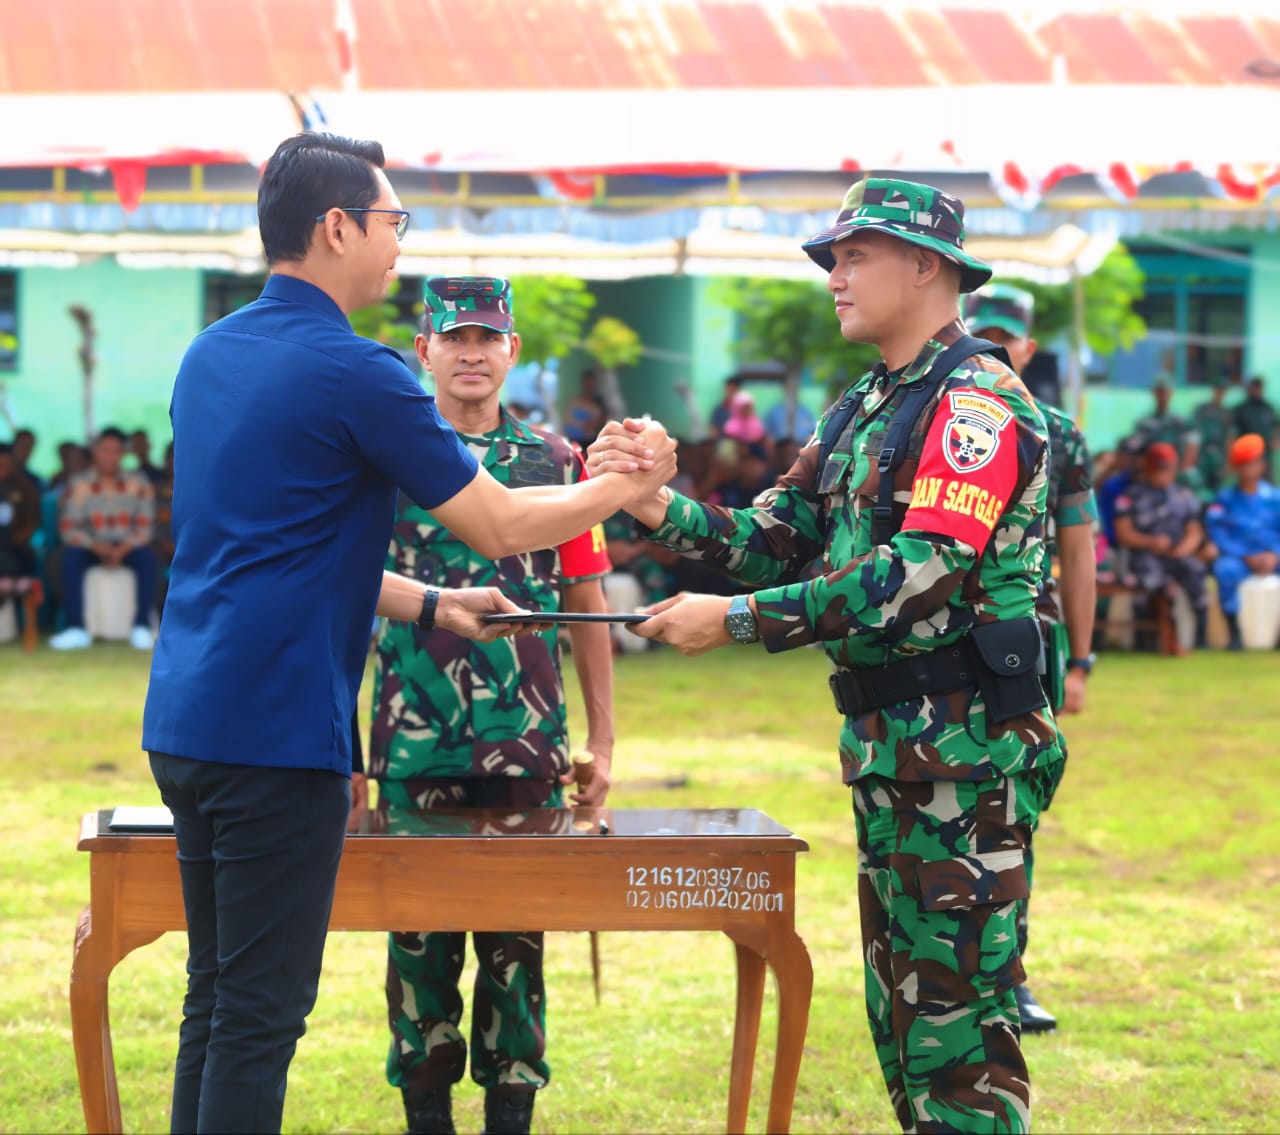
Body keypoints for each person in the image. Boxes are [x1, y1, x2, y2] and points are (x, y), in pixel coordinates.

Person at [139, 132, 673, 1135]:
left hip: (187, 717)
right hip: (275, 733)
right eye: (393, 222)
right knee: (258, 1016)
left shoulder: (210, 354)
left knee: (214, 1000)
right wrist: (627, 485)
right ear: (337, 227)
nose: (398, 245)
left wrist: (431, 605)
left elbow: (274, 547)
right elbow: (502, 524)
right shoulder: (360, 371)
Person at [591, 176, 1062, 1133]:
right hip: (898, 751)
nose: (835, 279)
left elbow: (917, 572)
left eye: (855, 257)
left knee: (959, 1037)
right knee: (907, 1020)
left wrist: (733, 621)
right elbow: (772, 535)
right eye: (834, 260)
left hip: (967, 756)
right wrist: (648, 501)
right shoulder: (867, 403)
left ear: (926, 265)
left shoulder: (976, 404)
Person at [365, 276, 616, 1135]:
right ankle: (426, 1115)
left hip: (529, 747)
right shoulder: (387, 454)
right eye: (454, 337)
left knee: (517, 946)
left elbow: (586, 600)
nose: (472, 352)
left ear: (512, 351)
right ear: (424, 349)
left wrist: (604, 740)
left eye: (488, 337)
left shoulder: (559, 463)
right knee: (418, 943)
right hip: (411, 742)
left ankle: (512, 1112)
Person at [964, 282, 1098, 1034]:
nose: (997, 348)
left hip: (1028, 645)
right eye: (985, 335)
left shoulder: (1059, 432)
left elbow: (1078, 553)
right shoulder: (949, 418)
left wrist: (1083, 660)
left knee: (1018, 812)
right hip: (954, 644)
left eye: (1008, 338)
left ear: (1030, 348)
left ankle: (1008, 973)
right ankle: (964, 968)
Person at [49, 425, 158, 651]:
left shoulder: (139, 483)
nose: (110, 456)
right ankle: (76, 628)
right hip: (91, 545)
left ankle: (141, 626)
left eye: (116, 450)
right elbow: (69, 527)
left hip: (128, 545)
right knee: (67, 558)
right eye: (105, 450)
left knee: (149, 559)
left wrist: (124, 548)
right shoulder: (79, 484)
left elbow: (145, 527)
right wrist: (95, 545)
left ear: (123, 453)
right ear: (95, 451)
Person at [1113, 441, 1210, 648]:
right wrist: (1151, 542)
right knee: (1153, 582)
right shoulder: (1131, 495)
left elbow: (1195, 531)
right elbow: (1123, 533)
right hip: (1145, 556)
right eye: (1159, 469)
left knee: (1196, 570)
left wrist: (1184, 548)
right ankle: (1146, 640)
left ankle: (1202, 637)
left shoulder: (1184, 495)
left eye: (1167, 468)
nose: (1163, 474)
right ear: (1149, 469)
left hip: (1177, 554)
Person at [1204, 433, 1280, 650]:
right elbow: (1217, 533)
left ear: (1262, 465)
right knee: (1225, 569)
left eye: (1251, 464)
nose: (1247, 470)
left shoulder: (1275, 498)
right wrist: (1246, 556)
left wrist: (1275, 554)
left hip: (1273, 557)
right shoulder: (1225, 499)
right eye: (1242, 465)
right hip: (1240, 558)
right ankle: (1234, 633)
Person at [0, 440, 40, 582]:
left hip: (15, 546)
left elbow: (32, 521)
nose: (3, 468)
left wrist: (14, 541)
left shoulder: (24, 487)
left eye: (6, 464)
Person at [1191, 378, 1234, 496]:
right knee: (1198, 487)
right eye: (1218, 389)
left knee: (1218, 489)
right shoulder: (1202, 410)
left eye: (1223, 390)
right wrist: (1192, 456)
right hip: (1202, 455)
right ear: (1214, 390)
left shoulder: (1227, 413)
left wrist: (1229, 463)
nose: (1220, 392)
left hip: (1219, 456)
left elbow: (1229, 438)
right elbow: (1194, 435)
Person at [1233, 376, 1278, 466]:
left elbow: (1277, 425)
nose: (1257, 390)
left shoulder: (1267, 407)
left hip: (1265, 453)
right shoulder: (1241, 409)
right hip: (1246, 452)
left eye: (1259, 387)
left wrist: (1276, 440)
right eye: (1255, 387)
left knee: (1266, 477)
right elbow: (1231, 430)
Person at [562, 368, 607, 447]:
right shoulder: (574, 402)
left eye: (591, 382)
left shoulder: (597, 406)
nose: (589, 385)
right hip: (571, 442)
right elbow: (567, 420)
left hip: (588, 443)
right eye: (587, 382)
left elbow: (594, 425)